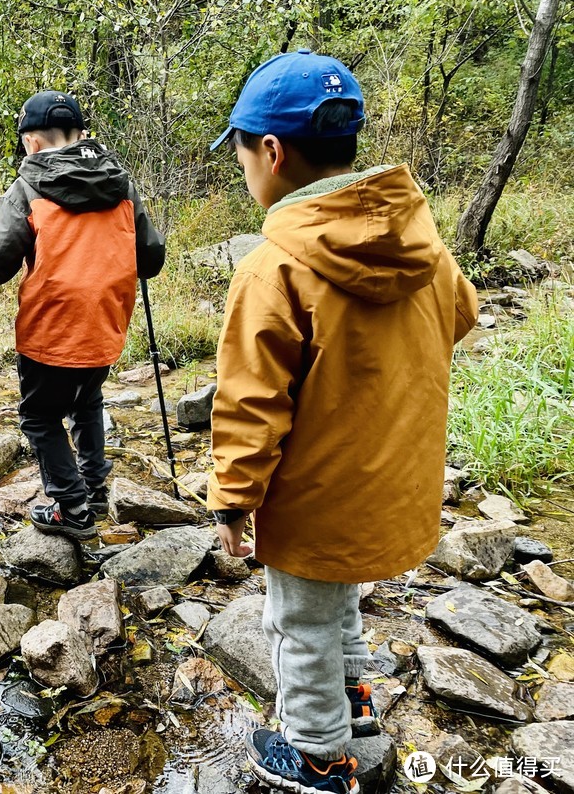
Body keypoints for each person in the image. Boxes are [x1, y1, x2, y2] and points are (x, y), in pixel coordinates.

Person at [206, 51, 477, 793]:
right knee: (339, 602)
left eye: (238, 149)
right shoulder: (424, 245)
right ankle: (355, 703)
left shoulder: (273, 267)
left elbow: (250, 406)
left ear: (271, 150)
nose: (240, 165)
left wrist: (233, 501)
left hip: (316, 495)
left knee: (299, 623)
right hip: (394, 483)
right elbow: (462, 315)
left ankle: (322, 757)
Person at [0, 91, 165, 540]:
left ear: (33, 144)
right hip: (106, 326)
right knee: (86, 399)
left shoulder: (28, 189)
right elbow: (152, 256)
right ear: (82, 136)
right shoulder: (120, 184)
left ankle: (73, 507)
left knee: (40, 417)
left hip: (51, 330)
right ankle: (95, 489)